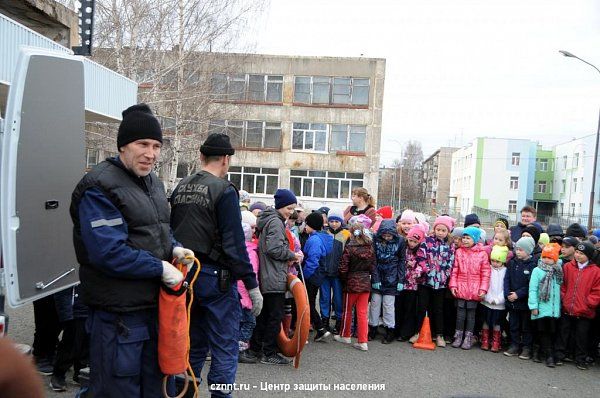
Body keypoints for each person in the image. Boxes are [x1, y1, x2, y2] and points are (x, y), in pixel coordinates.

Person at [70, 103, 194, 397]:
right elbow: (108, 252)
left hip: (152, 310)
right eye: (142, 144)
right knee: (117, 391)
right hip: (118, 317)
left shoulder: (151, 181)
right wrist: (160, 268)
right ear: (123, 146)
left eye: (156, 146)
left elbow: (156, 231)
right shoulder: (98, 186)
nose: (150, 154)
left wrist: (174, 249)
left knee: (154, 389)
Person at [170, 132, 263, 394]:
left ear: (201, 156)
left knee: (192, 341)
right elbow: (234, 243)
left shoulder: (181, 186)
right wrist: (251, 284)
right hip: (216, 278)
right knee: (224, 344)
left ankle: (184, 391)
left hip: (185, 274)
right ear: (225, 159)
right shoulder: (224, 190)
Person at [250, 189, 301, 365]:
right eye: (288, 207)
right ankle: (268, 352)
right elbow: (274, 249)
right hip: (273, 276)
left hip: (268, 274)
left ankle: (255, 349)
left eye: (293, 208)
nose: (291, 211)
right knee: (275, 315)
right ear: (280, 206)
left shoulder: (270, 220)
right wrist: (292, 255)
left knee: (265, 315)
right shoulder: (276, 223)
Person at [555, 241, 600, 370]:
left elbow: (597, 291)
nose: (578, 256)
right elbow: (563, 285)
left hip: (584, 311)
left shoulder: (596, 271)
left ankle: (580, 358)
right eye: (577, 252)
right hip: (567, 307)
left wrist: (588, 304)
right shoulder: (568, 267)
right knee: (563, 333)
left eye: (581, 254)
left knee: (582, 336)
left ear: (589, 256)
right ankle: (560, 354)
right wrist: (564, 298)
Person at [335, 219, 376, 351]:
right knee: (362, 313)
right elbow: (372, 266)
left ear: (352, 233)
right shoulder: (370, 247)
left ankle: (345, 335)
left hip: (351, 283)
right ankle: (363, 341)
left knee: (347, 310)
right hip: (365, 283)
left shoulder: (349, 248)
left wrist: (343, 279)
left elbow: (343, 267)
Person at [449, 226, 490, 349]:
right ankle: (458, 335)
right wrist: (453, 285)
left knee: (471, 315)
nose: (465, 240)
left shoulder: (482, 254)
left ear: (475, 239)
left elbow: (485, 273)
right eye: (464, 237)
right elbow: (454, 270)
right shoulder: (459, 252)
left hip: (474, 290)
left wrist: (483, 289)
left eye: (468, 238)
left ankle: (468, 337)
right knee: (460, 314)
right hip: (461, 288)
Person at [418, 215, 456, 347]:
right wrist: (427, 270)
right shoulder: (427, 241)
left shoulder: (450, 245)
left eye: (443, 230)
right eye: (438, 229)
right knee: (423, 306)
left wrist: (445, 275)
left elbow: (450, 262)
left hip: (440, 283)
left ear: (448, 232)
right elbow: (421, 256)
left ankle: (439, 334)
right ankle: (418, 332)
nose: (440, 232)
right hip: (425, 280)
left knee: (438, 309)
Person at [370, 219, 406, 344]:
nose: (387, 238)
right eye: (384, 235)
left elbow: (402, 260)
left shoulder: (400, 241)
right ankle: (373, 327)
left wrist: (401, 279)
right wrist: (375, 278)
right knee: (375, 303)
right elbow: (373, 259)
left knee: (388, 305)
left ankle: (390, 329)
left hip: (392, 277)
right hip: (378, 275)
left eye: (389, 235)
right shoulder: (375, 239)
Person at [528, 243, 563, 368]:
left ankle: (538, 352)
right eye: (544, 257)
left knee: (550, 331)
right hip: (541, 307)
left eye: (550, 258)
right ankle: (548, 355)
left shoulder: (558, 270)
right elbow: (533, 289)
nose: (546, 260)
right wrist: (533, 306)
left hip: (553, 309)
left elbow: (560, 288)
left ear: (555, 259)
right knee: (542, 331)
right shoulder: (537, 270)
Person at [302, 211, 334, 342]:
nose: (305, 227)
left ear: (312, 225)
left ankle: (320, 328)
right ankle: (319, 328)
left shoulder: (314, 240)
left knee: (308, 302)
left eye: (307, 224)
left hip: (312, 275)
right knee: (310, 300)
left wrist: (305, 275)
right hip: (319, 275)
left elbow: (313, 260)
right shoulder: (323, 237)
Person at [503, 236, 536, 360]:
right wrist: (507, 294)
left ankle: (527, 347)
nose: (518, 252)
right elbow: (506, 279)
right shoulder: (512, 262)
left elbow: (531, 285)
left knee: (526, 326)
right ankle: (514, 344)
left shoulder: (533, 265)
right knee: (514, 324)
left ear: (529, 251)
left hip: (524, 302)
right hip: (512, 301)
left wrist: (518, 294)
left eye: (521, 250)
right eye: (517, 249)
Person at [321, 208, 350, 335]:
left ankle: (339, 320)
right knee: (324, 297)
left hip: (338, 274)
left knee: (338, 299)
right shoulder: (324, 233)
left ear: (341, 222)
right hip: (325, 272)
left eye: (336, 221)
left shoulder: (346, 234)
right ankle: (325, 321)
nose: (333, 224)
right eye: (331, 221)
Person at [238, 220, 260, 364]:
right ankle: (240, 350)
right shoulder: (250, 252)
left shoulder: (238, 250)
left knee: (239, 322)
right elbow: (250, 274)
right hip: (246, 295)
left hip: (238, 294)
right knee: (249, 323)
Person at [402, 224, 428, 343]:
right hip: (404, 283)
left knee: (413, 309)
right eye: (410, 240)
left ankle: (410, 332)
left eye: (415, 241)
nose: (412, 243)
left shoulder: (422, 251)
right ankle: (402, 331)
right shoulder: (404, 248)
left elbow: (423, 265)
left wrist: (416, 270)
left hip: (416, 284)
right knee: (404, 308)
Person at [480, 246, 508, 353]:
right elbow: (485, 283)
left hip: (499, 304)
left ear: (503, 261)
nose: (495, 263)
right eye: (493, 260)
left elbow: (505, 287)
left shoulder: (505, 271)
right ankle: (485, 340)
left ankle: (496, 341)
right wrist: (487, 297)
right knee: (486, 321)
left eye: (498, 261)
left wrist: (498, 299)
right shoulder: (488, 269)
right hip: (486, 301)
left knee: (497, 323)